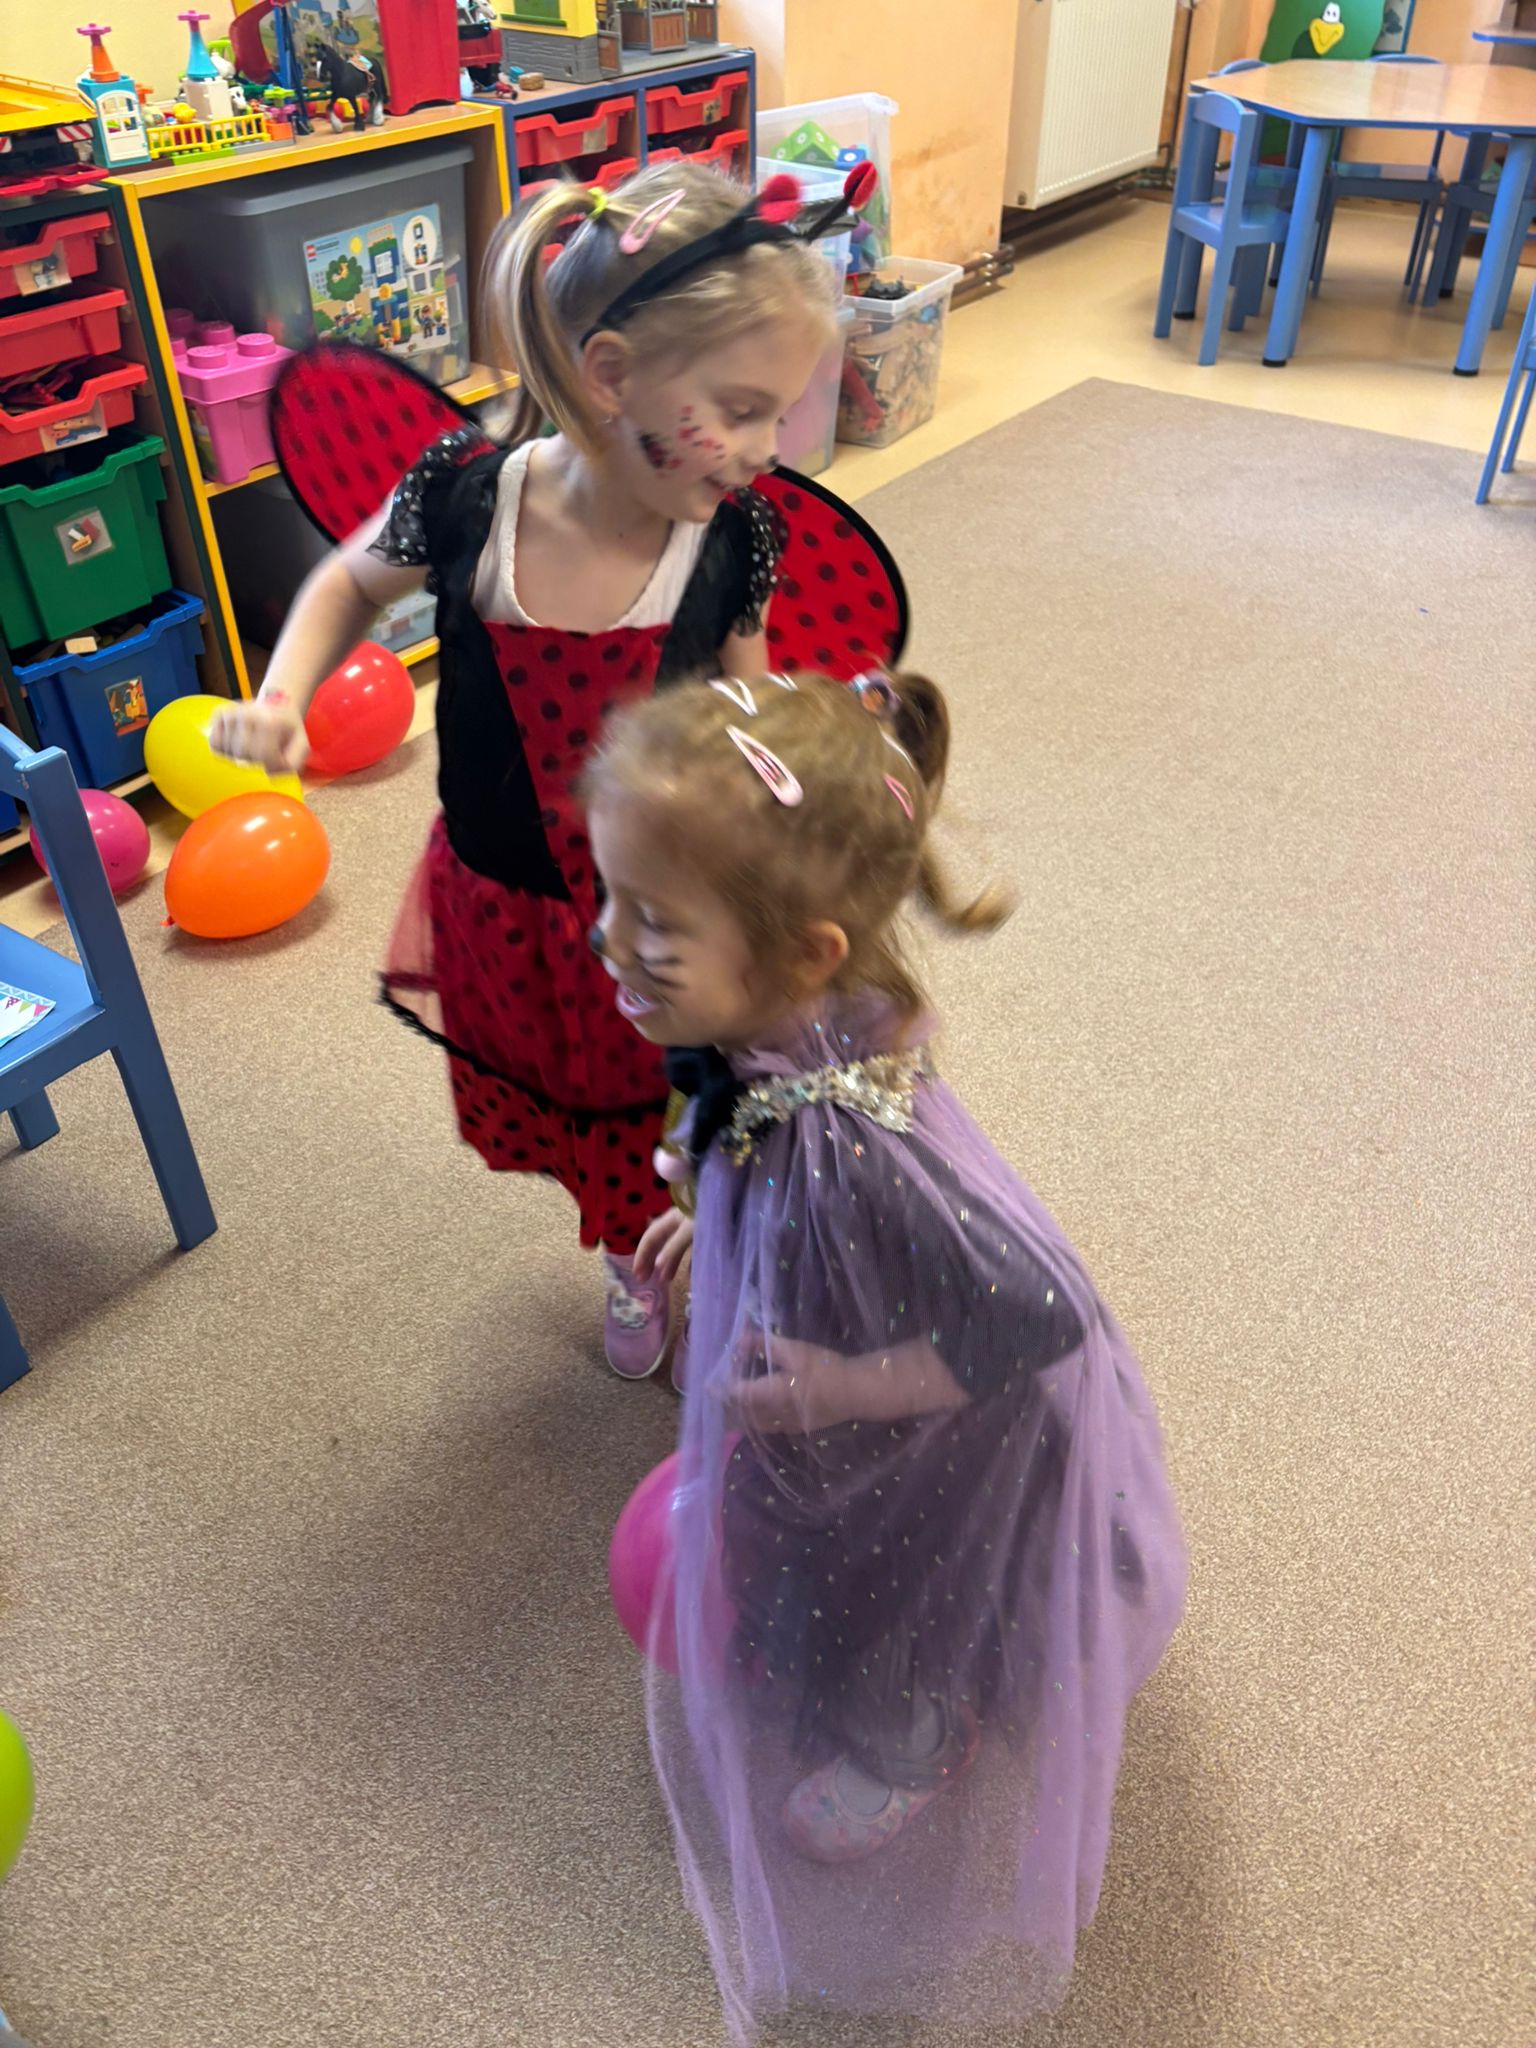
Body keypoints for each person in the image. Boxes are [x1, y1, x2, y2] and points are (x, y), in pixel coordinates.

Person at [584, 670, 1188, 2039]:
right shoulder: (771, 1041)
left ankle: (911, 1734)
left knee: (882, 1598)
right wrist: (709, 1216)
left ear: (805, 954)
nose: (609, 940)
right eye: (613, 894)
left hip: (925, 1436)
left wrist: (846, 1385)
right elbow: (737, 1134)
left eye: (656, 919)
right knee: (793, 1555)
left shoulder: (858, 1149)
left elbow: (1043, 1313)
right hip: (830, 1372)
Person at [210, 163, 840, 1378]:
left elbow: (751, 703)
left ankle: (711, 1253)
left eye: (780, 413)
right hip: (511, 898)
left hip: (667, 904)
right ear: (609, 374)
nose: (768, 451)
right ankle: (632, 1255)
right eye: (742, 408)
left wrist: (794, 821)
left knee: (688, 1095)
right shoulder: (464, 495)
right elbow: (346, 580)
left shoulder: (733, 534)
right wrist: (281, 698)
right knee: (586, 1107)